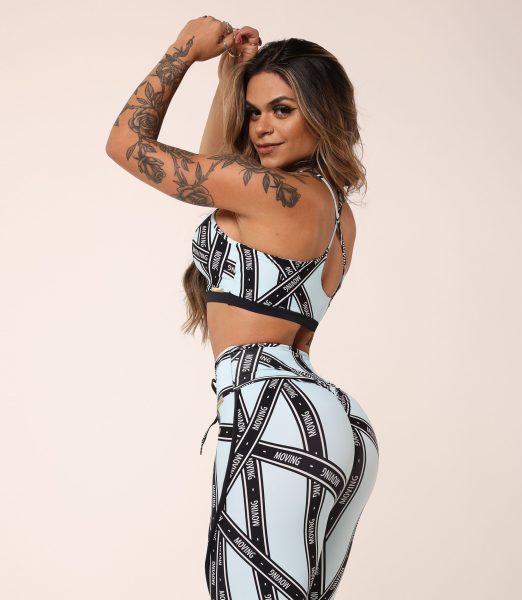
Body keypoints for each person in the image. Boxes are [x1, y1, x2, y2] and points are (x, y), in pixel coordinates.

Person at [105, 15, 379, 600]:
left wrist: (184, 49)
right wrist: (230, 79)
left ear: (322, 112)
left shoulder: (273, 195)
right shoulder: (330, 209)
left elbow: (125, 143)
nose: (262, 127)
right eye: (254, 113)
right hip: (336, 428)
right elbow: (219, 179)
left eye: (282, 109)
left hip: (273, 413)